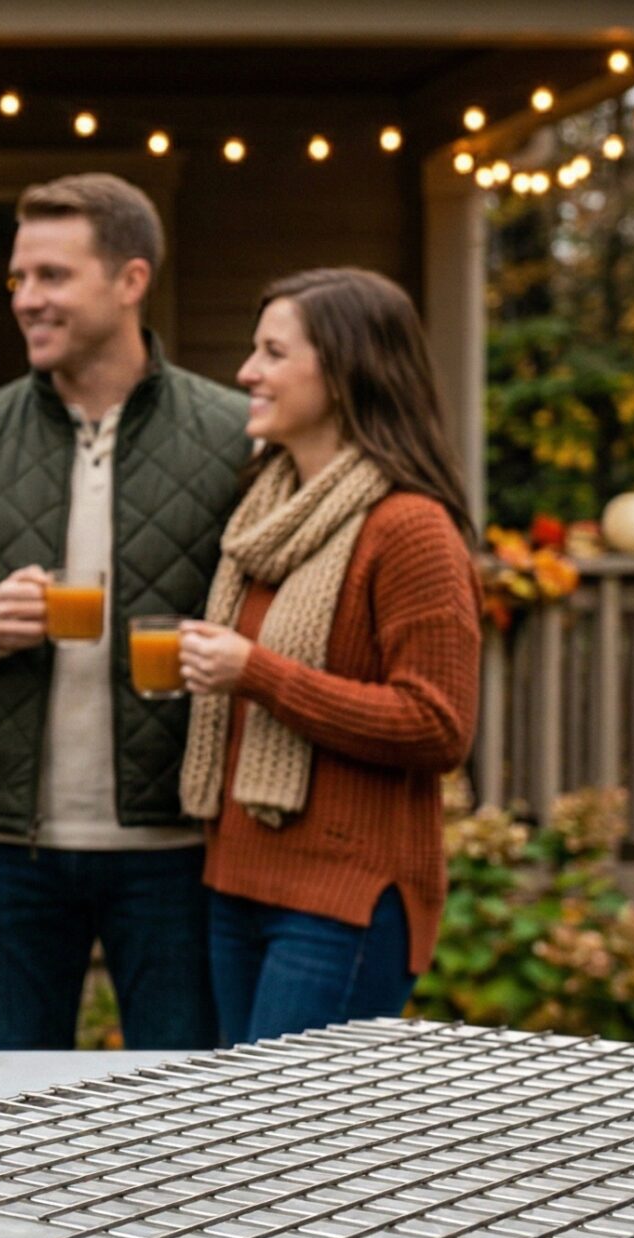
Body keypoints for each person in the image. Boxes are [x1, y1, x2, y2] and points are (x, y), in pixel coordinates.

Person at [0, 173, 249, 1051]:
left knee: (181, 1116)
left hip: (176, 844)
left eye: (52, 276)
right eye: (20, 279)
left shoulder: (233, 435)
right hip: (10, 851)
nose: (26, 300)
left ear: (130, 280)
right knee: (6, 1114)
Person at [177, 269, 479, 1044]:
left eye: (273, 353)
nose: (247, 372)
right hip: (234, 882)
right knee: (240, 1145)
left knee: (290, 1152)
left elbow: (438, 724)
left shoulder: (410, 528)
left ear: (345, 373)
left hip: (344, 899)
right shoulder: (264, 513)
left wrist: (259, 673)